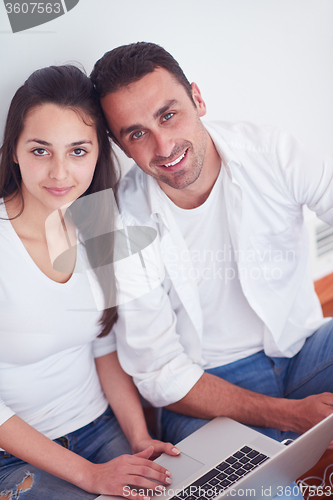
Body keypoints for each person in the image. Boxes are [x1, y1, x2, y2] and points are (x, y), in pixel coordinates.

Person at [90, 42, 333, 498]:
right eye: (136, 134)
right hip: (207, 392)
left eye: (168, 115)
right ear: (120, 145)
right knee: (269, 492)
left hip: (301, 348)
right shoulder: (115, 225)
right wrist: (289, 415)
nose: (163, 147)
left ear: (197, 99)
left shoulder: (271, 150)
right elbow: (161, 373)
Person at [0, 64, 180, 500]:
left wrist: (138, 438)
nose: (60, 173)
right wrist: (89, 476)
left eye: (78, 151)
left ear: (99, 152)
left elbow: (102, 345)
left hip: (100, 428)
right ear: (13, 151)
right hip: (16, 455)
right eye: (41, 151)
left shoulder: (97, 221)